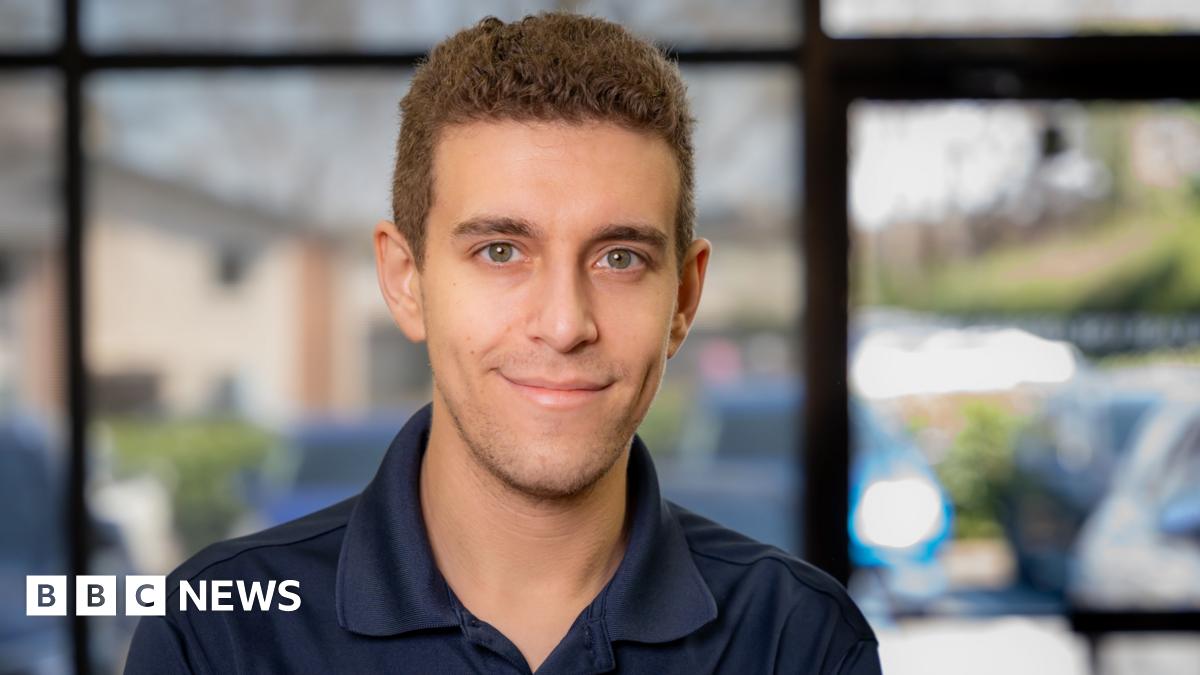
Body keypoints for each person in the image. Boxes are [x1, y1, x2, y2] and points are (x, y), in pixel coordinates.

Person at [124, 13, 880, 674]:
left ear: (683, 297)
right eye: (500, 251)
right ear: (405, 279)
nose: (562, 323)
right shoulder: (218, 636)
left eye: (619, 258)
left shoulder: (798, 640)